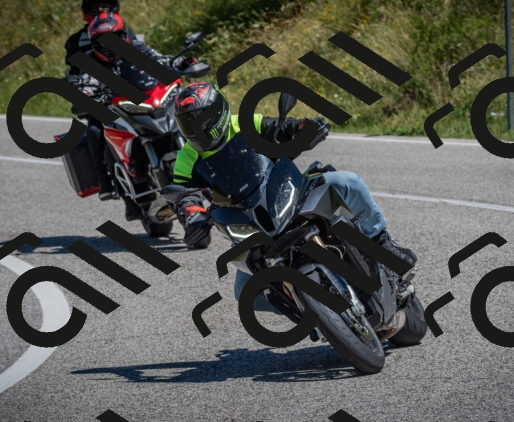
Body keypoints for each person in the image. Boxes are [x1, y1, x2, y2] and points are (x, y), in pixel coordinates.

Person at [171, 81, 418, 337]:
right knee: (245, 293)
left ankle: (382, 243)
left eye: (201, 119)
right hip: (246, 224)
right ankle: (314, 316)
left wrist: (304, 129)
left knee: (347, 182)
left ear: (219, 112)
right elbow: (183, 196)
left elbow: (281, 128)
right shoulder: (186, 158)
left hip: (289, 193)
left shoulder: (246, 123)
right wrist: (192, 214)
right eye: (189, 122)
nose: (196, 127)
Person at [68, 10, 199, 221]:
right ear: (95, 43)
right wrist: (84, 93)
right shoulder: (91, 61)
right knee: (98, 132)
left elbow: (161, 60)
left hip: (145, 102)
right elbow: (86, 82)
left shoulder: (136, 49)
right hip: (114, 108)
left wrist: (182, 63)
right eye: (103, 40)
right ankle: (111, 185)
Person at [65, 1, 137, 203]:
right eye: (96, 6)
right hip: (99, 94)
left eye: (105, 5)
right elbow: (76, 73)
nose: (101, 10)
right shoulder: (75, 42)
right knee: (96, 130)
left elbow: (140, 58)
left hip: (129, 91)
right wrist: (80, 90)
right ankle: (104, 179)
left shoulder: (123, 29)